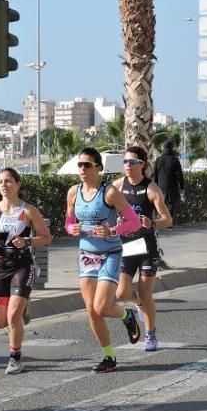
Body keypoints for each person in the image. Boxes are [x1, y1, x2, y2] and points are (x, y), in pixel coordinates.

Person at [65, 147, 146, 373]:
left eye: (87, 165)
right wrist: (73, 228)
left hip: (109, 254)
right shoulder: (73, 192)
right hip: (86, 256)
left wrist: (112, 231)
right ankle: (109, 357)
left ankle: (126, 314)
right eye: (80, 165)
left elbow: (134, 222)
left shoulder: (109, 192)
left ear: (98, 168)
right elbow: (68, 224)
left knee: (101, 307)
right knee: (92, 311)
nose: (82, 169)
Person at [0, 168, 52, 374]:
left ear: (18, 184)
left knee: (12, 317)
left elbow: (47, 237)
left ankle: (15, 358)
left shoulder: (28, 211)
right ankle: (24, 310)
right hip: (0, 267)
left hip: (23, 265)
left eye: (9, 181)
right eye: (1, 182)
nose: (4, 185)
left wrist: (27, 240)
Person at [113, 147, 172, 352]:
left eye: (132, 162)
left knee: (147, 295)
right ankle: (137, 304)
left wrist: (152, 223)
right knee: (121, 292)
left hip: (147, 247)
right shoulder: (118, 186)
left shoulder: (151, 188)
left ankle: (150, 334)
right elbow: (106, 209)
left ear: (143, 165)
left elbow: (168, 219)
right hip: (128, 245)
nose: (127, 165)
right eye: (125, 161)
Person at [153, 139, 185, 217]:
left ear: (164, 148)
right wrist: (182, 187)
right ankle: (169, 222)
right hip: (172, 187)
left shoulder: (158, 160)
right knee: (172, 204)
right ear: (171, 148)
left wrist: (155, 185)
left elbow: (155, 174)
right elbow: (180, 175)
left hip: (161, 187)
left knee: (161, 204)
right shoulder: (174, 160)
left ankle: (162, 219)